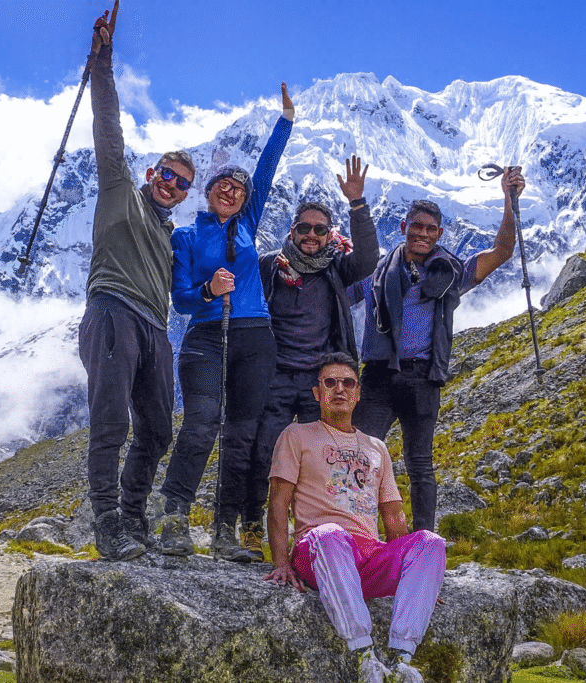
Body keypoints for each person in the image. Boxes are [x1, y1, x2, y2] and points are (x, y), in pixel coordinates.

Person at [79, 1, 196, 561]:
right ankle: (107, 524)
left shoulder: (173, 235)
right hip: (111, 312)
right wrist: (102, 65)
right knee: (110, 422)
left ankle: (132, 517)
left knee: (156, 428)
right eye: (168, 175)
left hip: (155, 328)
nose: (173, 185)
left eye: (182, 183)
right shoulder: (119, 188)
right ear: (152, 174)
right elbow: (109, 127)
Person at [158, 84, 295, 561]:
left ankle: (224, 531)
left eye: (239, 188)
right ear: (210, 190)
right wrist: (208, 292)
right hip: (205, 336)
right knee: (200, 423)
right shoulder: (187, 236)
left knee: (241, 433)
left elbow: (268, 169)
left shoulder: (247, 223)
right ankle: (174, 518)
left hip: (255, 336)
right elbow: (181, 302)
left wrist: (285, 122)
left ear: (244, 198)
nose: (232, 190)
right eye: (223, 184)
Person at [350, 168, 526, 533]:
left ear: (440, 234)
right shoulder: (374, 272)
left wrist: (510, 199)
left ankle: (423, 543)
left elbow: (503, 252)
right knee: (360, 457)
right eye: (417, 226)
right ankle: (356, 532)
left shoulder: (450, 274)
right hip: (378, 376)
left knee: (420, 465)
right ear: (403, 227)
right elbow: (337, 294)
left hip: (422, 378)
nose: (423, 234)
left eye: (431, 229)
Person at [264, 353, 445, 683]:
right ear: (317, 393)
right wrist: (280, 562)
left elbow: (392, 515)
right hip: (319, 550)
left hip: (368, 556)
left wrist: (417, 577)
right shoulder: (297, 435)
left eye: (348, 382)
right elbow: (278, 502)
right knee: (330, 533)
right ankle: (364, 657)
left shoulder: (376, 446)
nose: (339, 389)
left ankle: (401, 660)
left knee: (431, 543)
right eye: (329, 382)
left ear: (358, 393)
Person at [238, 156, 380, 562]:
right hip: (274, 377)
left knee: (318, 460)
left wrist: (357, 204)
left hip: (319, 384)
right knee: (264, 453)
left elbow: (368, 258)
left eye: (320, 229)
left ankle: (310, 534)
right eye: (304, 228)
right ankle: (250, 526)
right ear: (293, 231)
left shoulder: (337, 269)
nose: (312, 236)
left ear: (329, 234)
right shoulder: (270, 268)